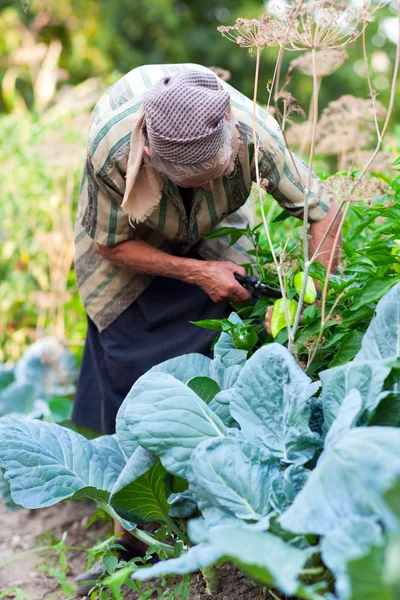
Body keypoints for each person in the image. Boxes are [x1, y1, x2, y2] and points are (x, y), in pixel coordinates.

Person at [72, 64, 341, 592]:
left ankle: (207, 503)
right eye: (198, 179)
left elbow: (322, 210)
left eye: (220, 172)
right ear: (152, 156)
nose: (217, 181)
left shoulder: (252, 132)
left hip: (216, 233)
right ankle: (131, 534)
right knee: (129, 366)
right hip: (127, 243)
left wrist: (310, 302)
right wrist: (196, 272)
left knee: (217, 359)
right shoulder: (112, 148)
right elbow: (110, 244)